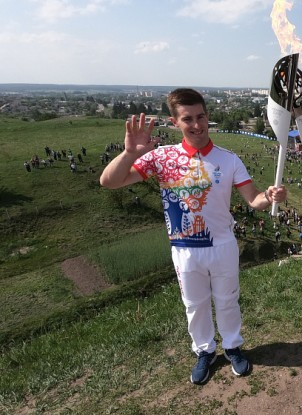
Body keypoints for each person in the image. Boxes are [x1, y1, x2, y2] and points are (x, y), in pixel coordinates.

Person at [100, 88, 287, 385]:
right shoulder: (162, 158)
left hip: (222, 245)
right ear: (176, 122)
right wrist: (131, 153)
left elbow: (254, 200)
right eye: (188, 119)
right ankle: (205, 351)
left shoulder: (229, 160)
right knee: (195, 303)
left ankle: (232, 347)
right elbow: (109, 182)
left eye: (201, 116)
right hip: (185, 248)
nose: (197, 125)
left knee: (227, 300)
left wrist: (271, 195)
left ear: (207, 116)